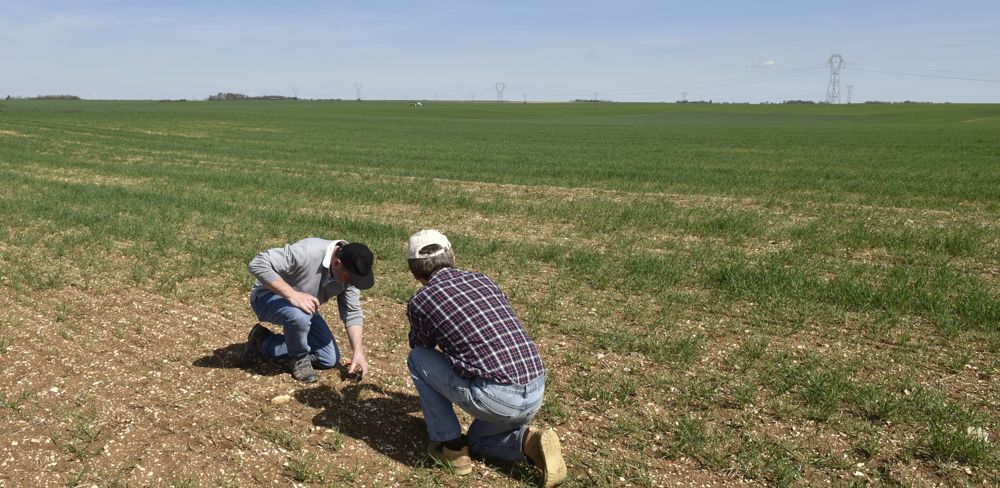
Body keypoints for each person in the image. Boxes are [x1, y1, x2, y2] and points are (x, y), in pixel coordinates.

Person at [404, 229, 566, 486]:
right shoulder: (484, 279)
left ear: (414, 273)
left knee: (417, 358)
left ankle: (452, 449)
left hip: (497, 399)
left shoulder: (421, 299)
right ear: (453, 258)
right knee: (478, 440)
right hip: (535, 389)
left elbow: (421, 346)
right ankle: (530, 441)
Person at [244, 237, 374, 383]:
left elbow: (352, 312)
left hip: (304, 307)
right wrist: (292, 295)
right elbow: (258, 263)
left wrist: (358, 351)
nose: (351, 283)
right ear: (337, 263)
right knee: (299, 316)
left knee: (328, 358)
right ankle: (298, 358)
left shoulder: (349, 274)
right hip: (266, 297)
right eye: (349, 278)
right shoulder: (308, 252)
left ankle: (263, 340)